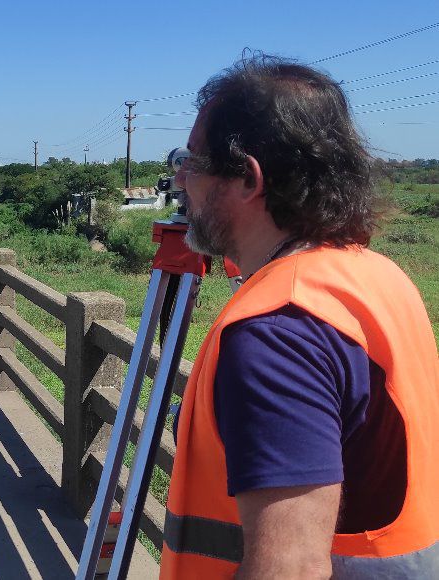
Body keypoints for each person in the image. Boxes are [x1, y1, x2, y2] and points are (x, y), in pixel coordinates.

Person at [162, 55, 438, 579]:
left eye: (193, 160)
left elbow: (291, 569)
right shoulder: (374, 274)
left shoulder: (277, 334)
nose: (180, 179)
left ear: (248, 177)